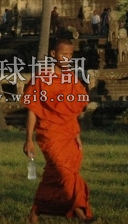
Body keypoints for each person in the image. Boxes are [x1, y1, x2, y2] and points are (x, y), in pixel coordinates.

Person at [22, 36, 92, 223]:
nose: (67, 58)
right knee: (64, 173)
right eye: (64, 54)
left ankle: (34, 215)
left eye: (70, 55)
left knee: (55, 176)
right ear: (53, 54)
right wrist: (28, 138)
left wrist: (77, 135)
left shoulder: (71, 79)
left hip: (68, 133)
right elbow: (32, 111)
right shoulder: (41, 79)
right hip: (49, 134)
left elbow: (72, 112)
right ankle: (82, 216)